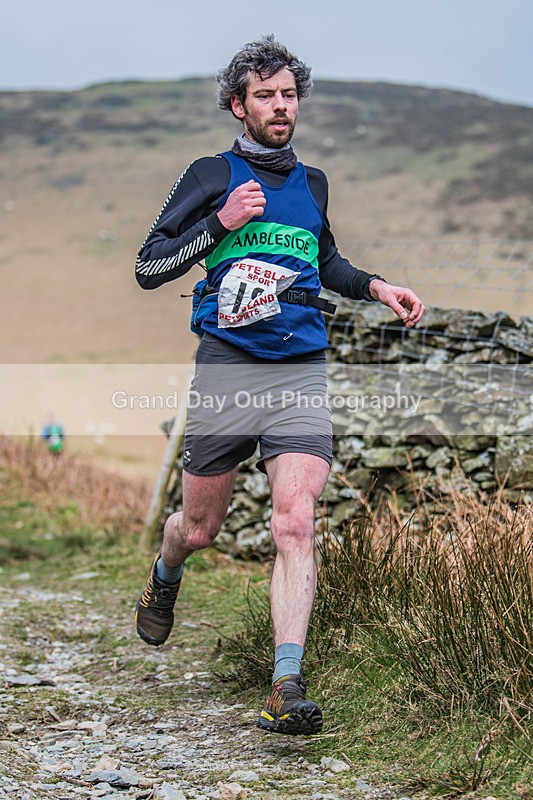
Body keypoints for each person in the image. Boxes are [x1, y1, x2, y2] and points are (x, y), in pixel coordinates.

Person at [134, 35, 425, 736]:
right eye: (264, 95)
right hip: (229, 363)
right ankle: (166, 572)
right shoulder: (212, 173)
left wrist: (376, 286)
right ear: (238, 105)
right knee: (199, 528)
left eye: (288, 94)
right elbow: (149, 266)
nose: (280, 106)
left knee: (294, 519)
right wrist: (220, 222)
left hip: (300, 364)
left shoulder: (312, 183)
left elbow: (326, 261)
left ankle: (284, 684)